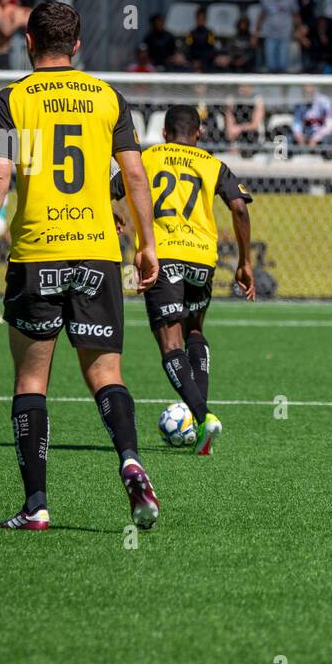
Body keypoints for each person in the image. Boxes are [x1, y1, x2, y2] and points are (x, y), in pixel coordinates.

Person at [0, 1, 161, 532]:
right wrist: (146, 244)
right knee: (107, 374)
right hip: (97, 249)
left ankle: (36, 506)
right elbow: (136, 176)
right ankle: (129, 461)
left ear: (27, 42)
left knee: (31, 380)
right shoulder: (108, 97)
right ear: (77, 46)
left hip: (37, 252)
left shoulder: (10, 100)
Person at [139, 104, 254, 456]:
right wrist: (244, 261)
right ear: (199, 133)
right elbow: (239, 208)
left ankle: (202, 416)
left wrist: (116, 218)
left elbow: (107, 190)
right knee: (194, 332)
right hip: (202, 257)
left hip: (165, 255)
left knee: (170, 344)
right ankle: (200, 421)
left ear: (163, 133)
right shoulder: (212, 163)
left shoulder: (146, 158)